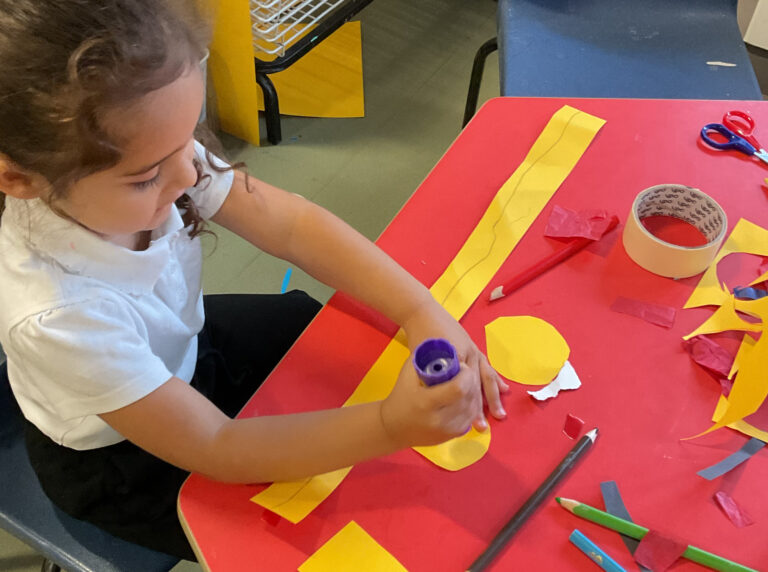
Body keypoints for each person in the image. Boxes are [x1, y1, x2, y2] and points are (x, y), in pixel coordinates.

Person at [0, 0, 508, 561]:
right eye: (146, 178)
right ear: (19, 178)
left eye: (189, 137)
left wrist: (420, 311)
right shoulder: (56, 315)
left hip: (185, 348)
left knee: (310, 329)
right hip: (124, 464)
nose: (190, 173)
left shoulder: (150, 146)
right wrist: (390, 426)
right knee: (302, 528)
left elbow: (293, 225)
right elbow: (218, 446)